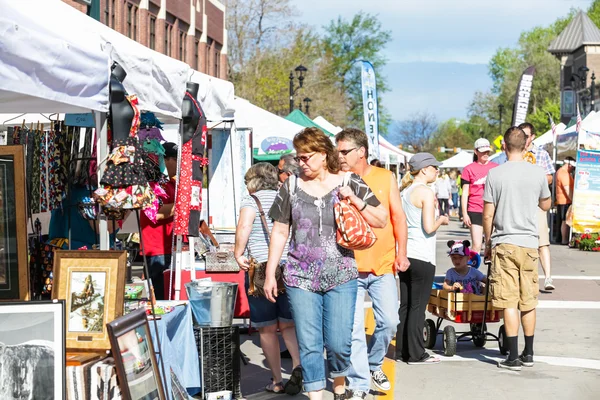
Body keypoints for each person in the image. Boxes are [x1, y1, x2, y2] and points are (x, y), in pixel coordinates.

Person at [264, 127, 388, 400]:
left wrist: (354, 198)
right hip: (300, 276)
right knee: (309, 343)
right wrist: (271, 273)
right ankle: (316, 393)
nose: (301, 162)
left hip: (342, 273)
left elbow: (381, 219)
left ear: (323, 155)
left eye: (306, 157)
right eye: (299, 157)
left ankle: (339, 381)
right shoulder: (291, 186)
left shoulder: (349, 180)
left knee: (339, 342)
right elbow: (280, 230)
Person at [336, 129, 409, 399]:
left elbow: (398, 218)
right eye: (338, 151)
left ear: (361, 152)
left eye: (344, 151)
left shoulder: (385, 177)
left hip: (383, 264)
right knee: (353, 329)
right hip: (349, 266)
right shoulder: (337, 180)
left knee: (390, 321)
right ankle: (359, 384)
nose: (339, 156)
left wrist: (403, 253)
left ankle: (375, 363)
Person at [483, 126, 551, 371]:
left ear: (503, 146)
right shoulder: (538, 172)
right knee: (528, 301)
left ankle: (512, 356)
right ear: (526, 145)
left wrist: (488, 243)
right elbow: (546, 203)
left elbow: (488, 215)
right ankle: (529, 353)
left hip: (504, 242)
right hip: (530, 243)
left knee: (509, 301)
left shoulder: (495, 174)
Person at [234, 162, 302, 395]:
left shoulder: (251, 201)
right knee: (288, 325)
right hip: (288, 266)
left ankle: (276, 380)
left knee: (267, 329)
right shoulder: (287, 197)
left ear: (253, 181)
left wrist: (238, 253)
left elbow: (244, 226)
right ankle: (298, 367)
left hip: (263, 269)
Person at [396, 153, 449, 364]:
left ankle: (401, 350)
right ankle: (417, 353)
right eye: (435, 167)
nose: (437, 171)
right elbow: (428, 227)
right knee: (418, 307)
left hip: (405, 253)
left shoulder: (405, 191)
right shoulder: (425, 192)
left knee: (406, 305)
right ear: (425, 169)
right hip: (422, 255)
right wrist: (441, 220)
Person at [519, 122, 556, 290]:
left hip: (537, 202)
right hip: (519, 203)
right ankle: (526, 279)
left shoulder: (541, 154)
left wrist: (535, 176)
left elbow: (549, 177)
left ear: (532, 137)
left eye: (526, 136)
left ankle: (548, 278)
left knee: (542, 242)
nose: (523, 139)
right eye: (520, 136)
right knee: (522, 243)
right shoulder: (515, 153)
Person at [140, 142, 178, 300]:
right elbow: (153, 214)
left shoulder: (172, 184)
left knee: (168, 296)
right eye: (177, 159)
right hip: (156, 250)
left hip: (169, 247)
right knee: (160, 298)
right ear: (166, 160)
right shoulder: (150, 187)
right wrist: (178, 207)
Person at [461, 138, 498, 254]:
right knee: (476, 245)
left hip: (492, 209)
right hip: (475, 209)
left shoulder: (496, 167)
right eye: (482, 151)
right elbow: (465, 193)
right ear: (476, 152)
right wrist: (465, 213)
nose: (485, 154)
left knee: (492, 244)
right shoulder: (468, 169)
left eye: (487, 151)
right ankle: (472, 271)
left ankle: (493, 271)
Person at [555, 157, 575, 245]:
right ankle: (564, 240)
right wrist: (573, 200)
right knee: (565, 221)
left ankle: (562, 239)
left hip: (562, 200)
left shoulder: (561, 172)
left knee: (563, 220)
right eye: (573, 167)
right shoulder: (564, 173)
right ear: (569, 165)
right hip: (565, 201)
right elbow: (567, 189)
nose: (573, 169)